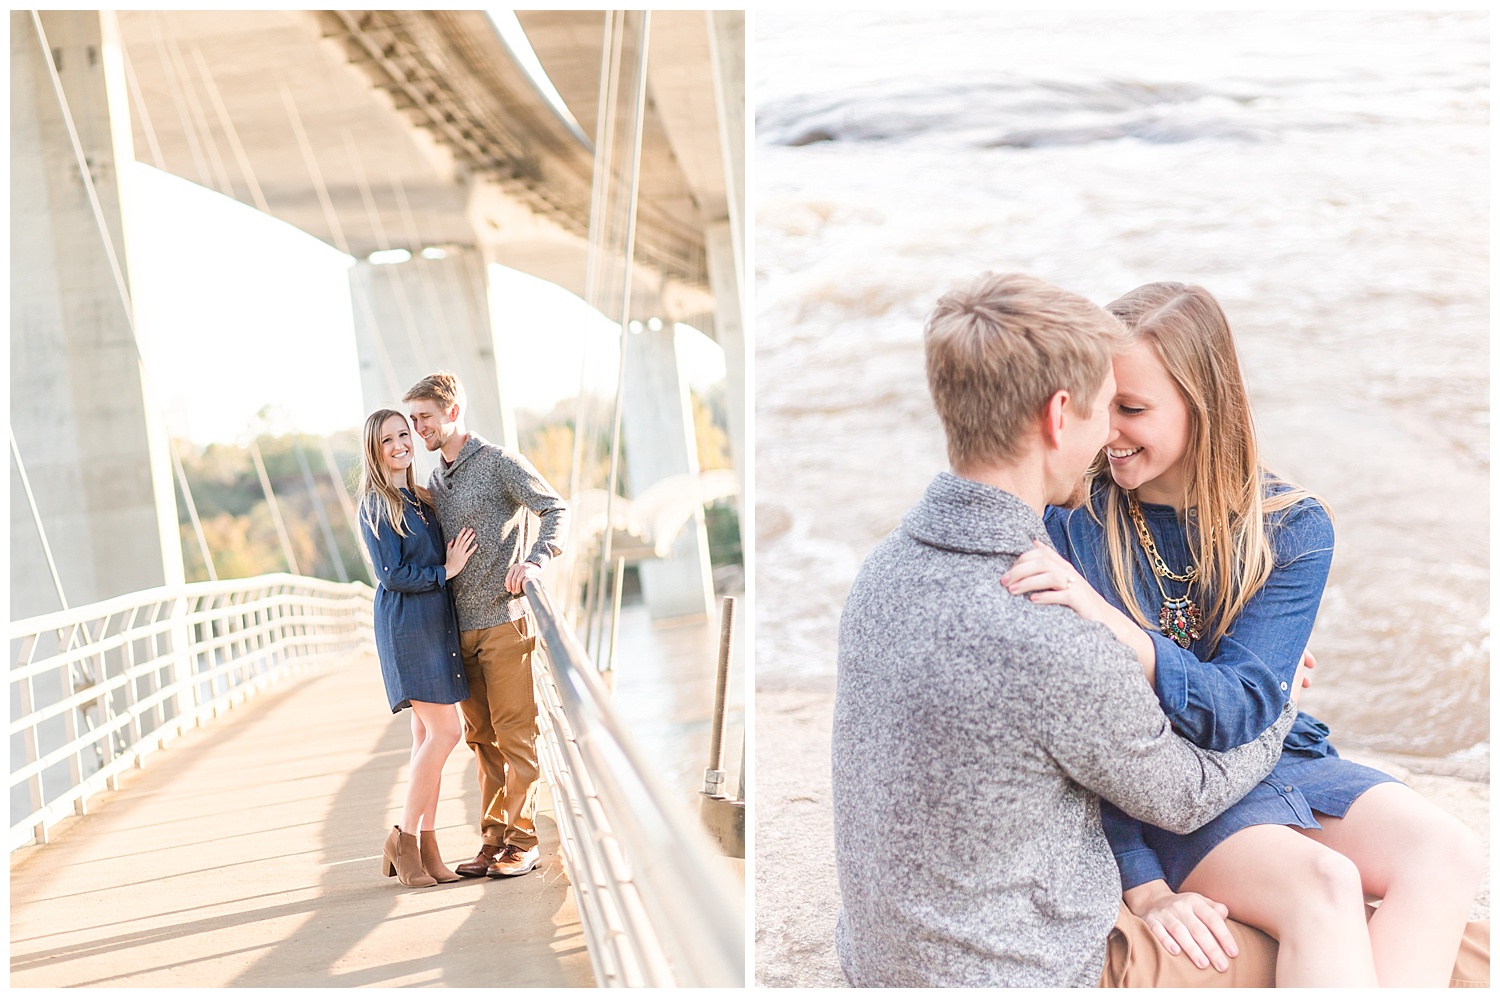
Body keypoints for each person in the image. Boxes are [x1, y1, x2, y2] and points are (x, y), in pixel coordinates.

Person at [1006, 282, 1487, 986]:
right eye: (1098, 404)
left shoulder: (1291, 527)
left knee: (1448, 851)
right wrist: (1145, 887)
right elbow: (1078, 738)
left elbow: (1236, 709)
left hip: (1278, 759)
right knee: (1326, 885)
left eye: (1131, 409)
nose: (1106, 430)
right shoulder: (1072, 525)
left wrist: (1112, 624)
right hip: (1168, 792)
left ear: (1202, 405)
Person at [831, 272, 1300, 988]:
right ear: (1059, 418)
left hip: (884, 960)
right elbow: (1185, 796)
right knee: (1339, 939)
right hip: (1020, 970)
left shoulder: (881, 574)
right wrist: (1283, 705)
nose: (1110, 433)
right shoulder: (1050, 631)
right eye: (1106, 409)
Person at [403, 372, 569, 879]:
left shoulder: (498, 462)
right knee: (481, 740)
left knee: (515, 736)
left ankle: (523, 841)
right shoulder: (436, 479)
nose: (417, 429)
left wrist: (536, 561)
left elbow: (554, 507)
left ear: (453, 412)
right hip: (458, 631)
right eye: (412, 420)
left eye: (424, 418)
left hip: (504, 620)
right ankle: (492, 842)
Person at [357, 408, 478, 888]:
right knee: (447, 732)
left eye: (403, 435)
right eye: (387, 440)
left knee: (425, 739)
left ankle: (428, 849)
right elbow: (391, 574)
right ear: (375, 450)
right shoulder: (376, 504)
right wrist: (444, 572)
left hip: (436, 624)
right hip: (407, 628)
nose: (399, 445)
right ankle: (403, 839)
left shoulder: (423, 499)